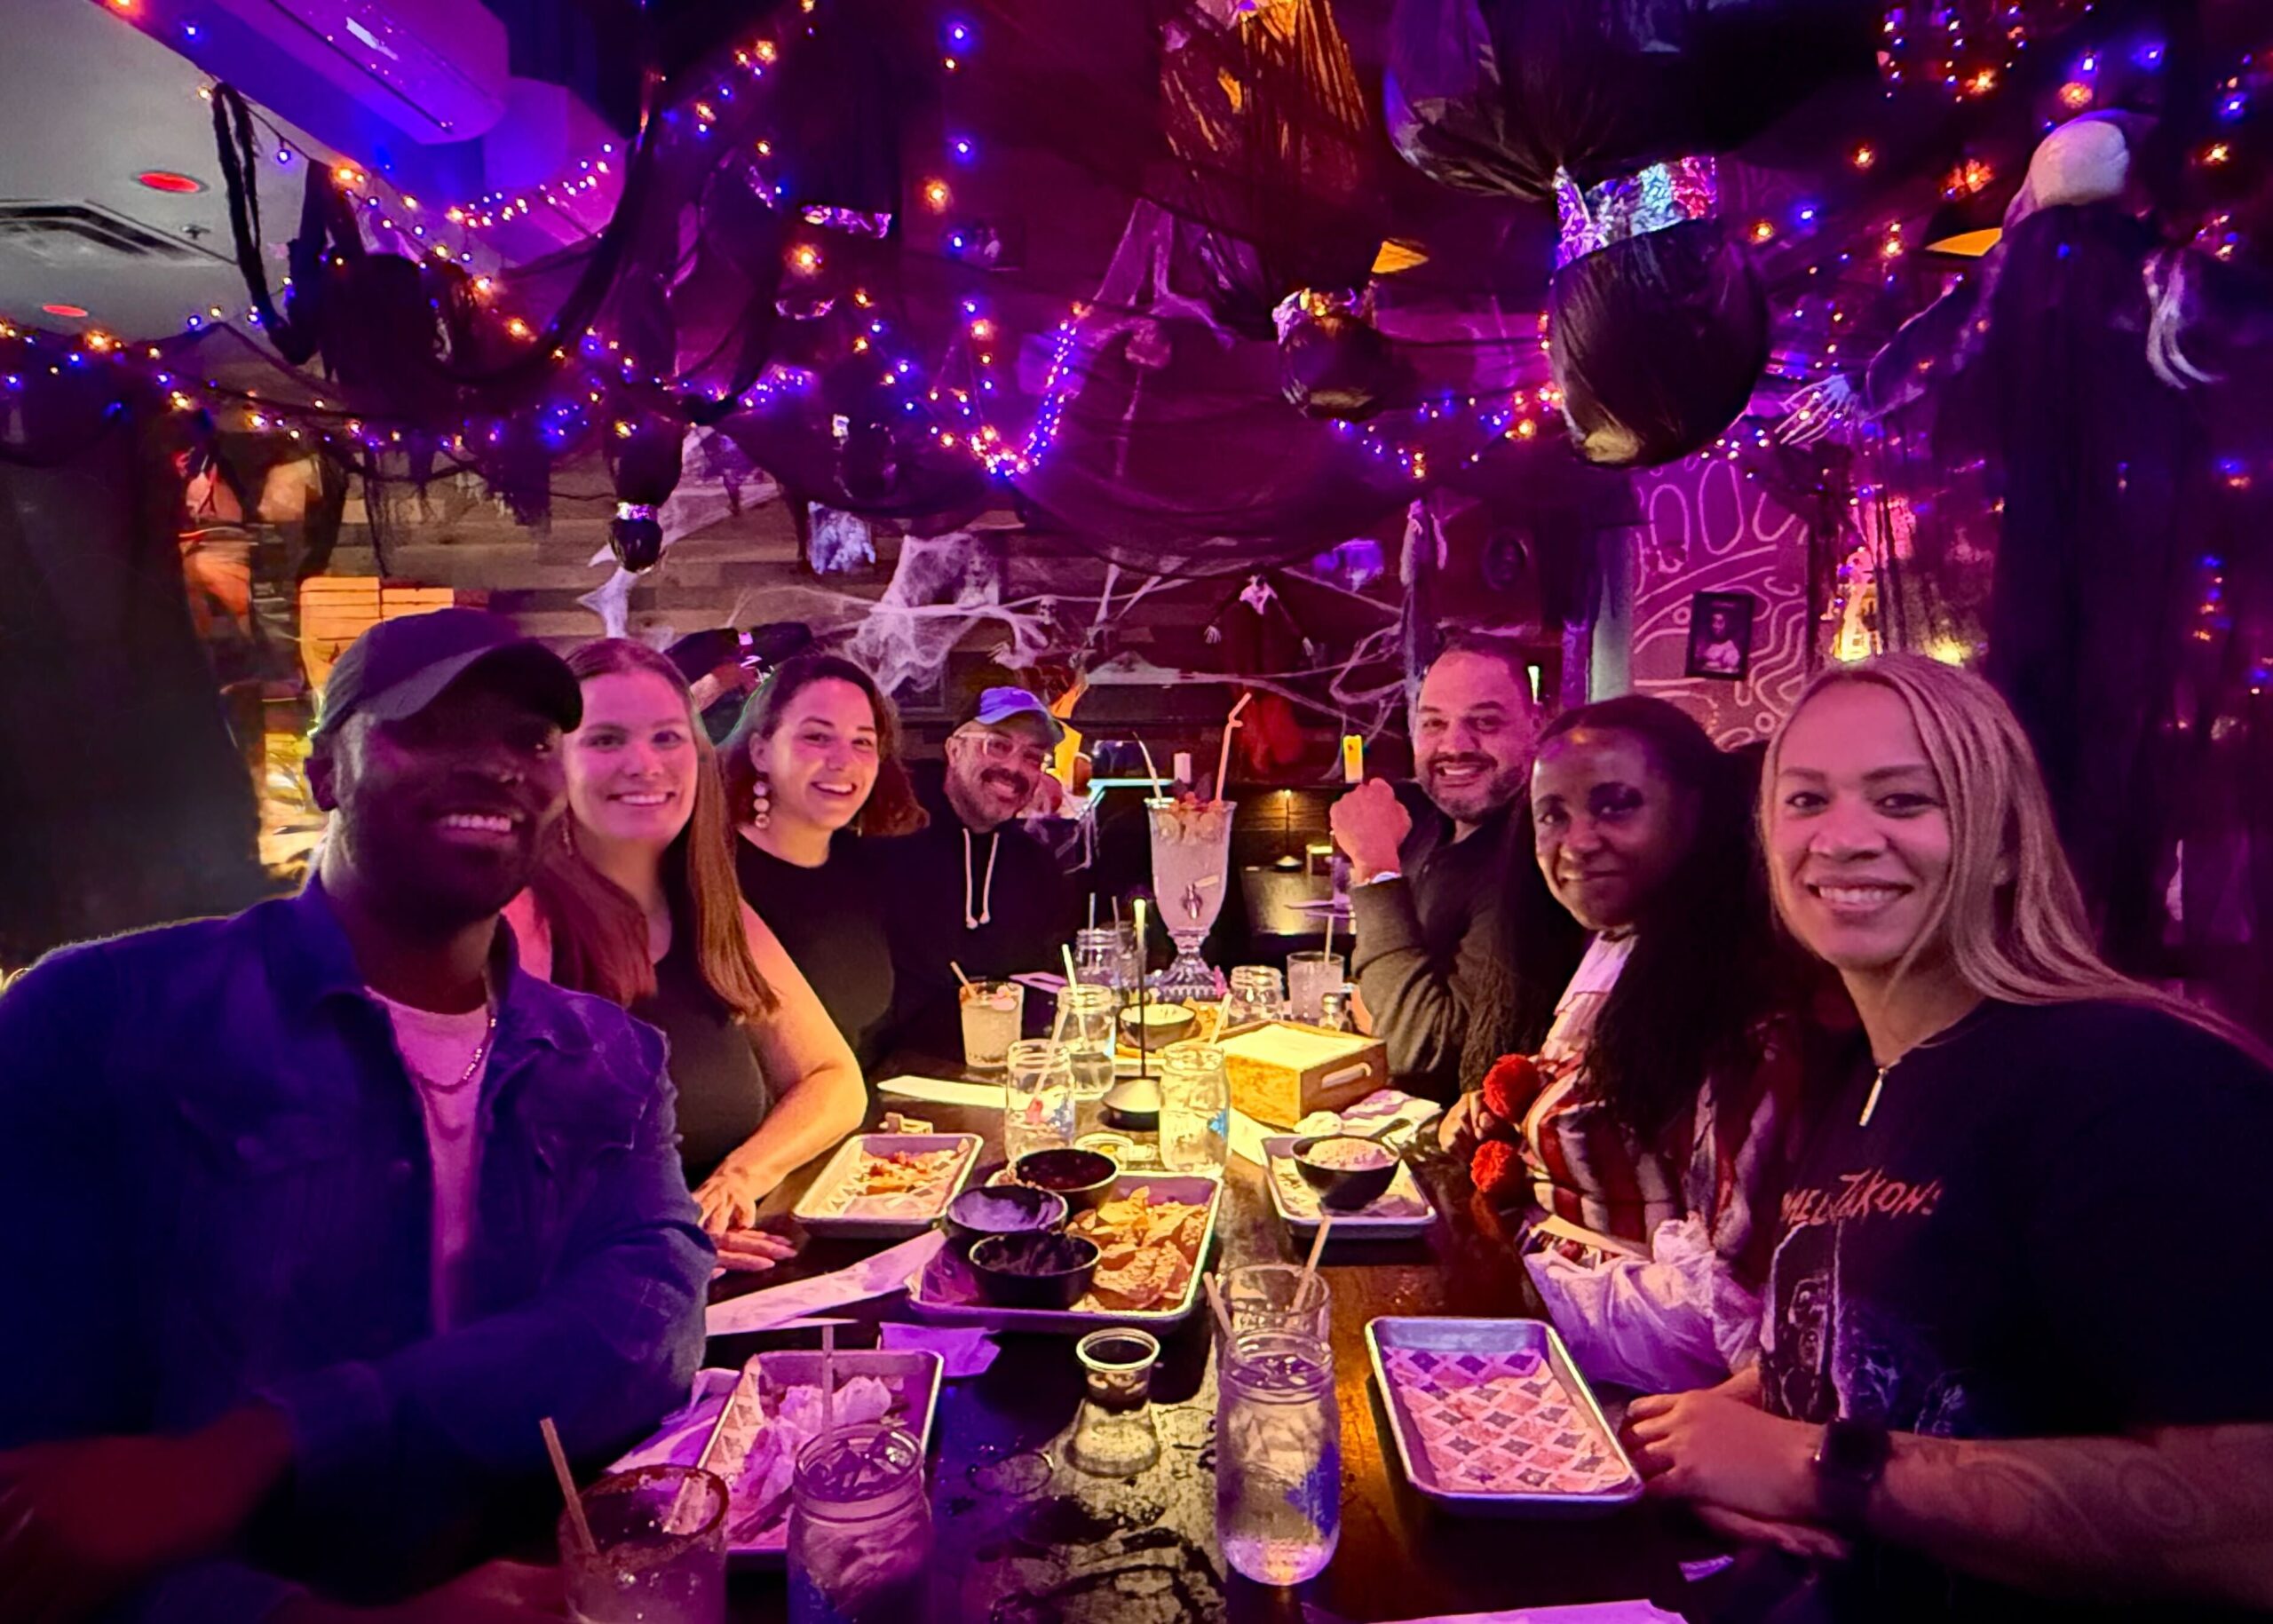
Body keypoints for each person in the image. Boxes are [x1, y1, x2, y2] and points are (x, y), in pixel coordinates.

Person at [0, 609, 710, 1622]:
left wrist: (269, 1440)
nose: (495, 766)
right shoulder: (99, 1018)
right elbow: (47, 1504)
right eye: (430, 727)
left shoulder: (609, 1055)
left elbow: (648, 1326)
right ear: (326, 771)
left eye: (528, 740)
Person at [1623, 655, 2273, 1620]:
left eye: (1903, 799)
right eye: (1806, 799)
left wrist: (1816, 1465)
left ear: (2003, 844)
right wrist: (1721, 1426)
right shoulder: (1870, 1076)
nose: (1843, 838)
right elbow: (1923, 1347)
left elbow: (2251, 1521)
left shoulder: (2135, 1079)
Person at [1444, 696, 1829, 1393]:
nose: (1577, 841)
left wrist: (1515, 1294)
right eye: (1552, 815)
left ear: (1694, 810)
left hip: (1630, 1398)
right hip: (1547, 1337)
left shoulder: (1748, 1014)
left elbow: (1725, 1326)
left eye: (1615, 805)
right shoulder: (1611, 948)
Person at [508, 639, 866, 1270]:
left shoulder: (708, 906)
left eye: (667, 738)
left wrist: (738, 1178)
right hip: (593, 1296)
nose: (645, 764)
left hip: (718, 1285)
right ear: (553, 762)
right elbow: (481, 1174)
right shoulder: (517, 920)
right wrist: (657, 1232)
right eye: (607, 739)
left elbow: (833, 1080)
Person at [1332, 634, 1585, 1098]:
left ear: (1536, 724)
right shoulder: (1431, 828)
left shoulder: (1536, 859)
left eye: (1485, 721)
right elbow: (1373, 990)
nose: (1454, 745)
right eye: (1434, 723)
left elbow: (1423, 1053)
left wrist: (1374, 865)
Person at [721, 652, 927, 1071]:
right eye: (817, 737)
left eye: (862, 742)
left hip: (860, 1108)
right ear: (760, 751)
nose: (843, 761)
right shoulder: (710, 870)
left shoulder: (865, 867)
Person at [878, 686, 1077, 1058]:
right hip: (884, 1067)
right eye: (997, 745)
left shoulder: (1037, 868)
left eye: (1032, 757)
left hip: (1002, 1067)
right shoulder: (887, 834)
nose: (1014, 768)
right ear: (954, 750)